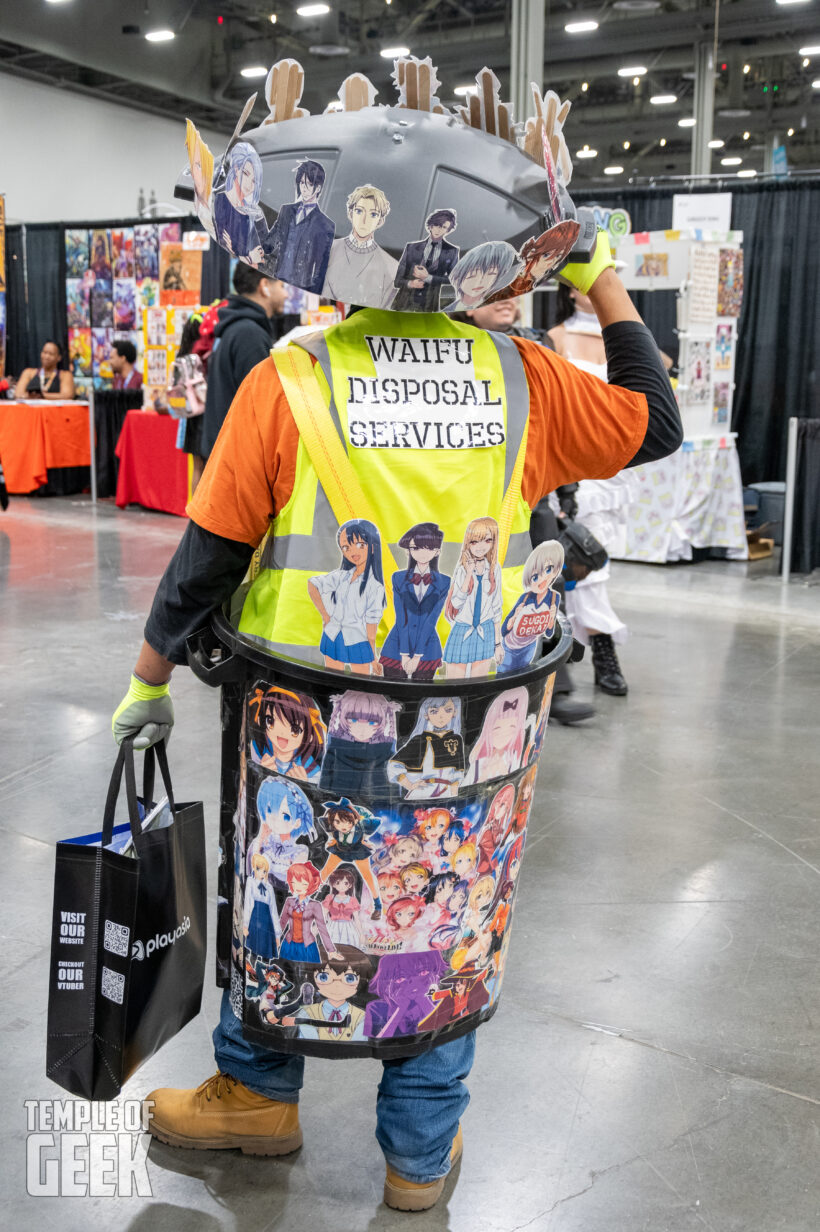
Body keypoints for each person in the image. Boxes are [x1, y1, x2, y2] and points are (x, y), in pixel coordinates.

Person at [111, 59, 682, 1214]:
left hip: (301, 718)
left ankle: (257, 1095)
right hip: (475, 732)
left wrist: (147, 679)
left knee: (284, 891)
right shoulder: (520, 378)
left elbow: (209, 555)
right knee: (447, 902)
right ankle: (419, 1157)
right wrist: (603, 276)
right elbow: (654, 422)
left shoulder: (293, 376)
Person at [200, 263, 285, 459]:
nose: (286, 294)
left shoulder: (238, 328)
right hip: (239, 458)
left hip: (227, 453)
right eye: (281, 285)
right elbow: (260, 406)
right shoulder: (249, 334)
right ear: (265, 286)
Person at [322, 184, 398, 308]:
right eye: (359, 211)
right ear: (350, 214)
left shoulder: (391, 267)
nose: (364, 220)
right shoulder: (327, 252)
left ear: (380, 221)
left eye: (373, 214)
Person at [391, 209, 459, 312]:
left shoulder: (451, 251)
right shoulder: (412, 248)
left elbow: (454, 279)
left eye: (444, 227)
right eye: (436, 225)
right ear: (431, 225)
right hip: (404, 304)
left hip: (429, 307)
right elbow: (397, 281)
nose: (438, 230)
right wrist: (410, 283)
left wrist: (429, 278)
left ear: (448, 230)